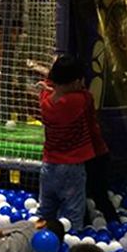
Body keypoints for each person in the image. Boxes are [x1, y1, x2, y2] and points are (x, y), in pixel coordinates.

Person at [39, 54, 105, 232]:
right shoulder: (79, 100)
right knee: (73, 212)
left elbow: (47, 88)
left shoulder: (45, 102)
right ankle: (73, 238)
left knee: (46, 210)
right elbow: (88, 97)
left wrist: (49, 81)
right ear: (77, 82)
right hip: (72, 167)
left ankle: (40, 239)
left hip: (48, 165)